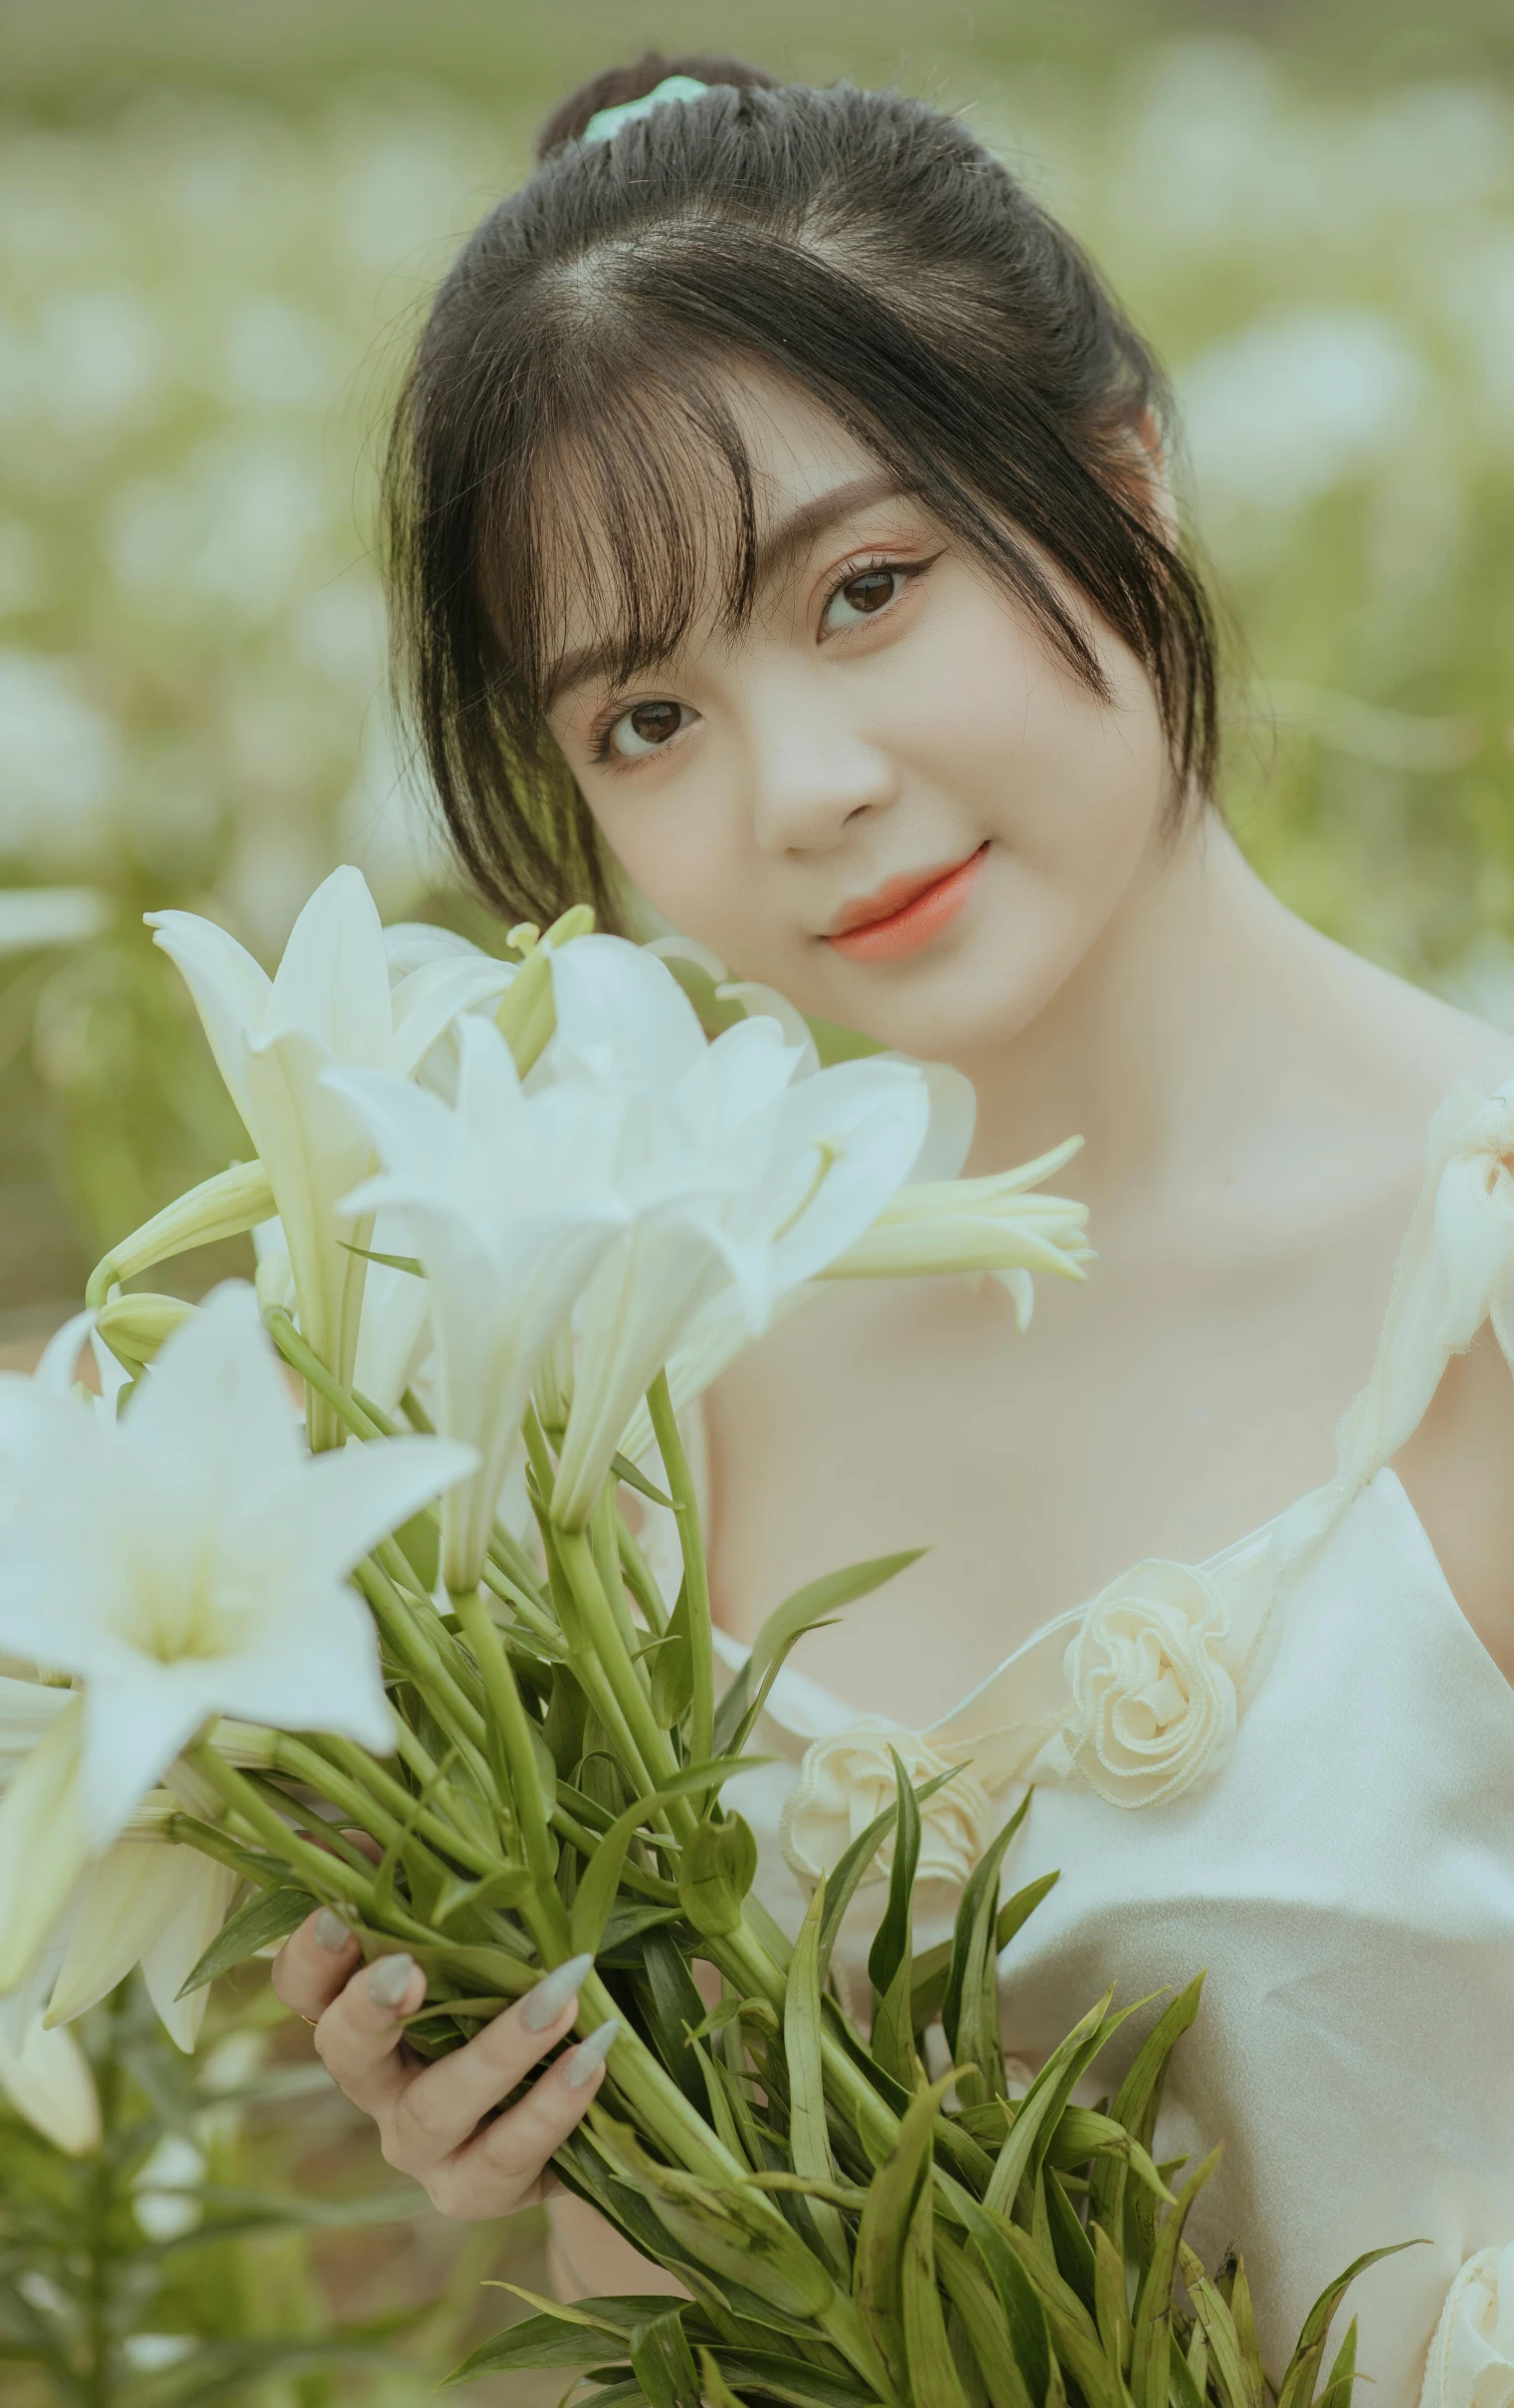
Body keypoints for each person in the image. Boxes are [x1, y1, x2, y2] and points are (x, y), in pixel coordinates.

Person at [272, 51, 1514, 2403]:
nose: (803, 790)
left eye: (861, 590)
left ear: (1121, 487)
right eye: (645, 719)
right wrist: (562, 2148)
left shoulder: (1484, 1275)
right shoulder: (632, 1394)